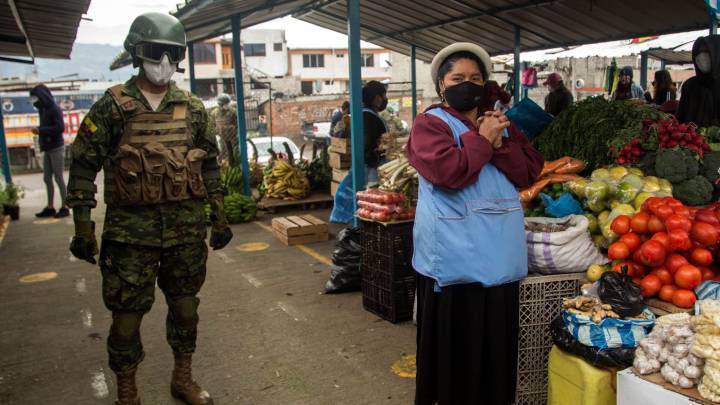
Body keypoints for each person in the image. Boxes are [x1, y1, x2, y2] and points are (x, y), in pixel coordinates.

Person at [66, 12, 232, 405]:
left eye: (172, 54)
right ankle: (128, 393)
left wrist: (219, 215)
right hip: (129, 236)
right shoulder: (111, 107)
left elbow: (207, 163)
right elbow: (84, 167)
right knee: (125, 321)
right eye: (156, 53)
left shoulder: (192, 108)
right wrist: (83, 227)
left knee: (186, 309)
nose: (163, 63)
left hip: (185, 232)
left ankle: (183, 379)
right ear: (137, 53)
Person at [407, 42, 543, 405]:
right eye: (458, 78)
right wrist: (482, 140)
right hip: (454, 265)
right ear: (441, 85)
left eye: (475, 78)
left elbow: (529, 172)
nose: (467, 84)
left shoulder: (500, 125)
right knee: (456, 358)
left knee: (494, 356)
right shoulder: (429, 125)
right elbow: (449, 172)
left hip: (499, 261)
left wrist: (498, 141)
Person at [31, 84, 69, 218]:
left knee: (58, 178)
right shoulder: (42, 110)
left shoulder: (55, 109)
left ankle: (65, 207)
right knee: (47, 178)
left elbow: (60, 127)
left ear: (42, 96)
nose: (34, 101)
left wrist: (40, 130)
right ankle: (50, 206)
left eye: (35, 97)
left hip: (57, 148)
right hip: (47, 149)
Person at [677, 35, 720, 126]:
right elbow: (680, 119)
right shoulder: (689, 85)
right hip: (690, 138)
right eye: (698, 53)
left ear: (716, 54)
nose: (701, 57)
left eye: (706, 52)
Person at [362, 80, 389, 185]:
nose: (385, 99)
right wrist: (376, 164)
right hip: (371, 173)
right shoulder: (369, 118)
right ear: (377, 98)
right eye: (384, 96)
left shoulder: (368, 115)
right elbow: (368, 146)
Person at [209, 93, 238, 166]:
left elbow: (237, 124)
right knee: (222, 154)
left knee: (234, 154)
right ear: (220, 104)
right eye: (226, 104)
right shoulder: (214, 113)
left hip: (232, 138)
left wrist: (233, 130)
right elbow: (212, 125)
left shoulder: (233, 111)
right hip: (221, 138)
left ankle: (233, 165)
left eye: (228, 103)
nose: (227, 105)